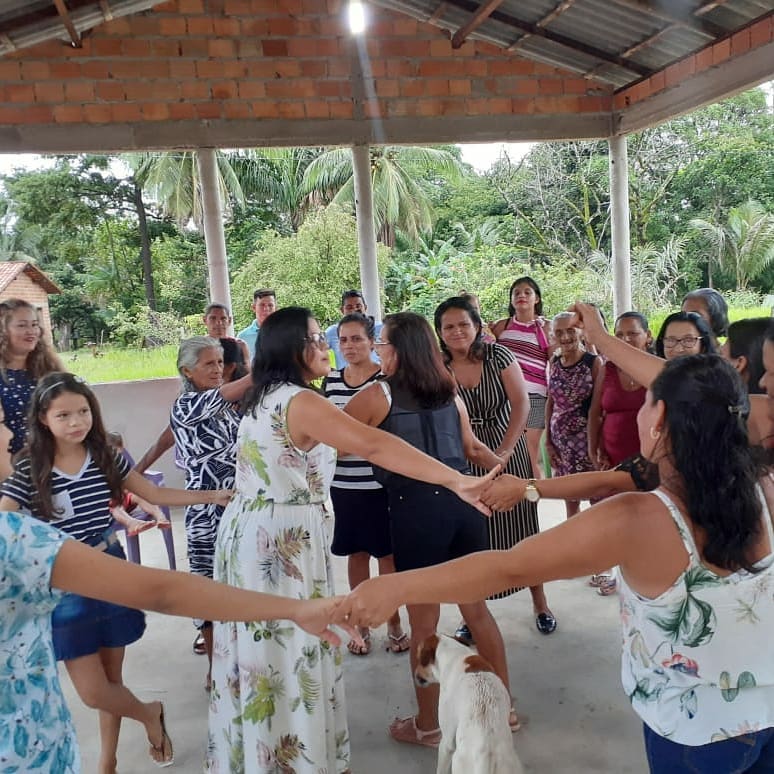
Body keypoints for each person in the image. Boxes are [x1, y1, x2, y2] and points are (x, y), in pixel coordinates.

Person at [340, 341, 774, 774]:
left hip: (693, 731)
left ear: (659, 418)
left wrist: (398, 585)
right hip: (765, 710)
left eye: (645, 403)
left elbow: (508, 566)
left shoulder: (638, 518)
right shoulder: (762, 487)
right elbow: (625, 468)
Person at [206, 307, 498, 773]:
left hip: (261, 531)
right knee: (288, 647)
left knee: (270, 646)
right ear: (291, 350)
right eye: (318, 338)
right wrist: (455, 479)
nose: (330, 346)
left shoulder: (270, 396)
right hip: (280, 544)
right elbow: (376, 445)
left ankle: (269, 753)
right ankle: (292, 756)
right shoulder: (302, 402)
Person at [0, 508, 355, 773]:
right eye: (1, 422)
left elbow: (163, 587)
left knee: (104, 683)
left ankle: (111, 758)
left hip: (35, 750)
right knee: (94, 690)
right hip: (30, 754)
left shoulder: (14, 537)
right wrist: (294, 609)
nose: (9, 434)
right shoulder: (11, 536)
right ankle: (144, 720)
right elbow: (164, 592)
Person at [0, 372, 233, 772]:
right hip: (62, 585)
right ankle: (148, 713)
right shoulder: (28, 469)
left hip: (111, 573)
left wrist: (213, 494)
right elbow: (7, 524)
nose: (76, 422)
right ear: (43, 419)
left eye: (83, 411)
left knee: (112, 677)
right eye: (64, 415)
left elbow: (154, 493)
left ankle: (106, 764)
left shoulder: (107, 457)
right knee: (93, 692)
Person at [345, 311, 516, 747]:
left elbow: (331, 439)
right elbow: (474, 448)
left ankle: (429, 726)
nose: (378, 350)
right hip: (465, 507)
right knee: (476, 611)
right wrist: (509, 479)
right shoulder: (448, 391)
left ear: (398, 350)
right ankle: (505, 710)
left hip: (416, 511)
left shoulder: (376, 395)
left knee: (425, 624)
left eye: (382, 343)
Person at [435, 296, 556, 637]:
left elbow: (522, 404)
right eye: (449, 326)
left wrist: (503, 451)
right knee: (472, 537)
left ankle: (540, 602)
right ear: (439, 332)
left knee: (522, 530)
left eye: (463, 324)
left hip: (508, 448)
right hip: (464, 457)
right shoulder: (438, 366)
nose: (457, 331)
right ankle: (472, 615)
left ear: (476, 326)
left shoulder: (499, 354)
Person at [169, 336, 253, 686]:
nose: (218, 369)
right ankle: (215, 670)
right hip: (206, 513)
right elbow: (230, 391)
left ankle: (239, 661)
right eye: (209, 364)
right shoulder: (187, 405)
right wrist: (268, 366)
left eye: (220, 362)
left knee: (239, 585)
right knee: (207, 588)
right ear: (187, 370)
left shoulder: (225, 410)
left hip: (236, 510)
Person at [322, 312, 407, 656]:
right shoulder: (330, 381)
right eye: (343, 340)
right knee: (356, 554)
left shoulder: (386, 380)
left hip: (380, 484)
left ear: (372, 342)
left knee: (387, 556)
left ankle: (394, 620)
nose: (350, 346)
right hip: (343, 485)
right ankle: (359, 623)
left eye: (357, 338)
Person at [491, 277, 552, 478]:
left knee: (528, 451)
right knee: (506, 448)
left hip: (535, 398)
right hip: (504, 398)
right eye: (516, 292)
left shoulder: (546, 328)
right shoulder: (502, 326)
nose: (521, 296)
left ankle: (533, 501)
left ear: (537, 299)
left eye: (527, 292)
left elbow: (556, 363)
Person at [545, 311, 600, 518]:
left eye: (570, 330)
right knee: (570, 497)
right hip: (561, 442)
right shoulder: (555, 362)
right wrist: (549, 442)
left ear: (581, 331)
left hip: (586, 440)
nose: (565, 337)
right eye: (559, 332)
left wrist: (594, 448)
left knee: (596, 494)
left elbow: (596, 408)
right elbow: (551, 401)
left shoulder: (593, 363)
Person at [588, 312, 652, 473]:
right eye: (619, 335)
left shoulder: (658, 370)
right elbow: (595, 413)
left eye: (633, 333)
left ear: (648, 336)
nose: (625, 340)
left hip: (651, 461)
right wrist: (592, 450)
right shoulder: (607, 369)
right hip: (611, 460)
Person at [0, 298, 63, 455]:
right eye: (22, 325)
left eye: (34, 324)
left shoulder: (51, 369)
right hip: (8, 467)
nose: (31, 331)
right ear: (2, 330)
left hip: (51, 460)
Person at [106, 431, 171, 535]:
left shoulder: (122, 463)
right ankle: (131, 523)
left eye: (116, 450)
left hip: (124, 496)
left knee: (139, 496)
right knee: (116, 509)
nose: (114, 454)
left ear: (121, 449)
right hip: (111, 504)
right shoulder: (99, 466)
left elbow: (132, 478)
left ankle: (160, 516)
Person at [325, 289, 382, 369]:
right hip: (344, 379)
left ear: (365, 307)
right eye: (349, 307)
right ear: (342, 310)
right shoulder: (332, 332)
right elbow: (317, 350)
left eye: (358, 306)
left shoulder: (381, 328)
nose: (354, 310)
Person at [236, 288, 277, 359]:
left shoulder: (285, 334)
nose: (266, 309)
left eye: (270, 305)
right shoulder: (243, 337)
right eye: (262, 305)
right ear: (254, 307)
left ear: (275, 308)